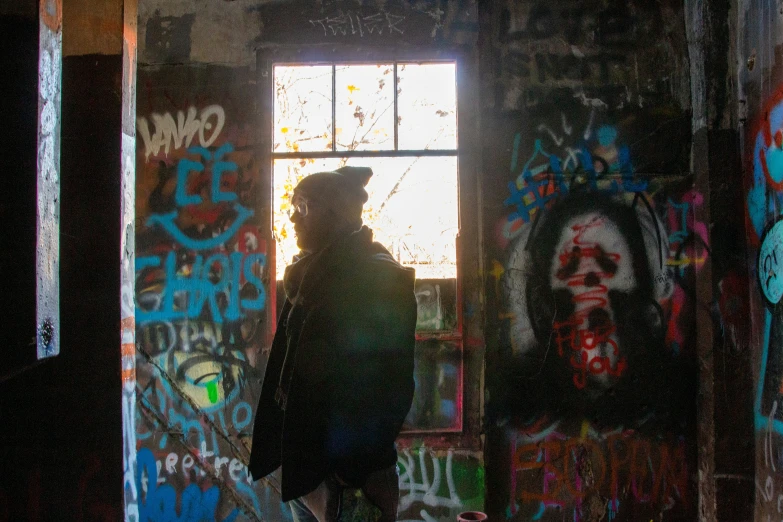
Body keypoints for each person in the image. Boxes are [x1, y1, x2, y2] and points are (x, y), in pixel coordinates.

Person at [248, 166, 417, 522]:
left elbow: (391, 387)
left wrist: (351, 470)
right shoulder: (312, 272)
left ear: (335, 213)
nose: (293, 218)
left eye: (303, 207)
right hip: (309, 472)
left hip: (351, 477)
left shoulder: (376, 278)